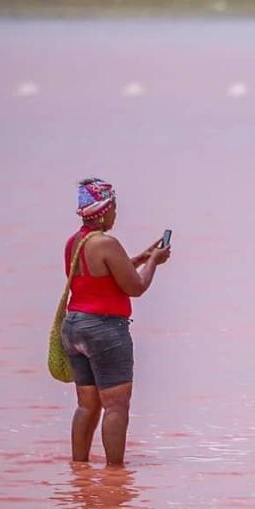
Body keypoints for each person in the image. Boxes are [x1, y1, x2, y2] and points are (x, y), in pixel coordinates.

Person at [61, 178, 170, 465]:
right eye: (114, 209)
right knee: (116, 404)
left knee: (87, 405)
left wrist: (141, 257)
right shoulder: (107, 243)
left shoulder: (75, 242)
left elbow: (100, 279)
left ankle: (79, 468)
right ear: (103, 211)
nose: (116, 215)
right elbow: (135, 287)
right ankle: (115, 474)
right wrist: (153, 263)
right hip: (104, 330)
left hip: (75, 326)